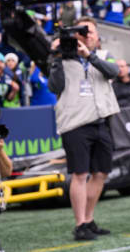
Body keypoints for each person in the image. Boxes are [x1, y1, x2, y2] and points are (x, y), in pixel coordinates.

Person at [47, 17, 119, 241]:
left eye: (91, 32)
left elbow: (113, 71)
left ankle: (88, 219)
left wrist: (90, 55)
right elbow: (54, 86)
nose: (87, 36)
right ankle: (80, 225)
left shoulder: (103, 56)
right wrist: (57, 56)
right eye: (82, 32)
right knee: (79, 174)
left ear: (97, 36)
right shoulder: (63, 58)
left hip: (101, 121)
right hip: (75, 123)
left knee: (101, 173)